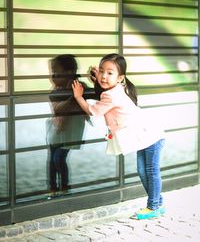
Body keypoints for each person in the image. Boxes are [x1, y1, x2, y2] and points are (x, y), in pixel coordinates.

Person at [72, 53, 165, 220]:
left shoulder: (111, 94)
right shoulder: (116, 89)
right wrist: (97, 80)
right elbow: (105, 91)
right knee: (143, 171)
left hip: (150, 135)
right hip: (144, 135)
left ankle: (153, 207)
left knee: (150, 171)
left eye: (110, 73)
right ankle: (158, 203)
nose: (104, 76)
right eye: (101, 71)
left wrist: (79, 97)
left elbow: (93, 110)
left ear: (120, 77)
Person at [46, 54, 89, 198]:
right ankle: (53, 188)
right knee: (52, 159)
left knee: (58, 157)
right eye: (52, 70)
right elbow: (58, 109)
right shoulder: (57, 90)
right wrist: (74, 97)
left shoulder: (80, 87)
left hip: (71, 130)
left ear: (70, 72)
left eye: (56, 70)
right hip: (56, 129)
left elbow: (94, 95)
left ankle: (64, 187)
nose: (53, 74)